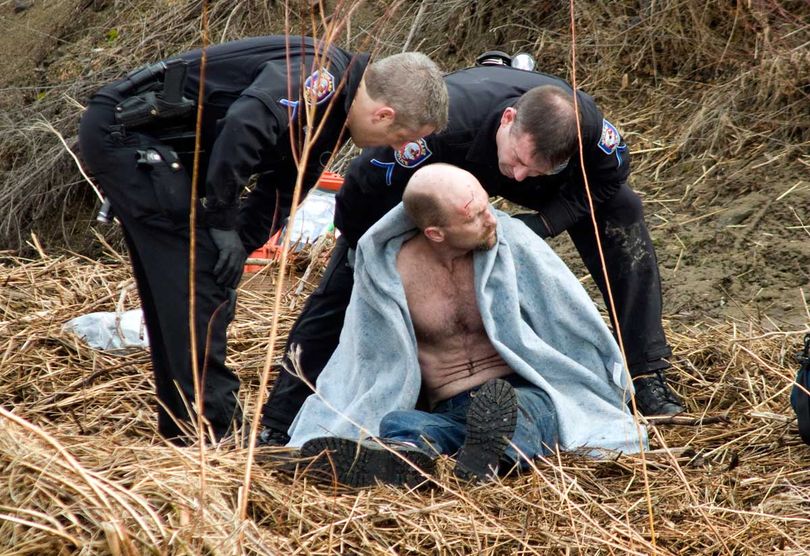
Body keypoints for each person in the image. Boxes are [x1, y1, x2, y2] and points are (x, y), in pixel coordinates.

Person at [260, 62, 683, 444]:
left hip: (540, 183)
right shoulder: (443, 127)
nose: (518, 174)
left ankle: (646, 373)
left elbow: (612, 177)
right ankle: (281, 416)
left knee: (623, 211)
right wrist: (362, 247)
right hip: (447, 167)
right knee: (348, 274)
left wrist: (548, 223)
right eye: (519, 160)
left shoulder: (588, 132)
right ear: (509, 119)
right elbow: (362, 184)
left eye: (534, 167)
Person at [78, 35, 448, 444]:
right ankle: (214, 432)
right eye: (401, 138)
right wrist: (220, 220)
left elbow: (285, 189)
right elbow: (244, 124)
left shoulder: (336, 116)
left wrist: (239, 243)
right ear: (383, 115)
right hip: (130, 133)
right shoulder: (316, 78)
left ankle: (185, 428)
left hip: (167, 154)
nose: (396, 150)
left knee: (195, 278)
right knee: (197, 278)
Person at [286, 164, 645, 486]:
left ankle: (457, 455)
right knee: (401, 421)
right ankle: (413, 453)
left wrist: (609, 378)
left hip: (521, 390)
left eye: (487, 206)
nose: (491, 220)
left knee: (525, 412)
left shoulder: (511, 242)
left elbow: (567, 318)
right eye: (474, 216)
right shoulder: (390, 274)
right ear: (436, 233)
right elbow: (368, 355)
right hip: (450, 399)